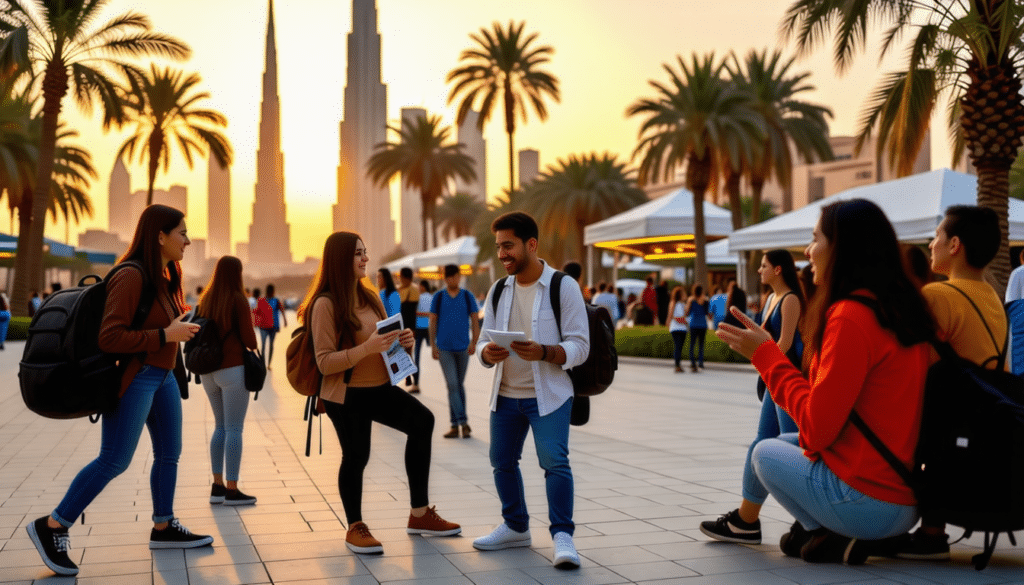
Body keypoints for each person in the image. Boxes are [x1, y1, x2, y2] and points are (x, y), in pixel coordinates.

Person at [717, 199, 934, 564]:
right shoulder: (898, 310)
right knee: (788, 439)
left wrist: (769, 357)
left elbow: (818, 430)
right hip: (906, 499)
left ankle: (828, 532)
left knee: (765, 451)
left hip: (869, 501)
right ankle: (836, 534)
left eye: (816, 238)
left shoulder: (851, 317)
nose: (807, 251)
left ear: (842, 248)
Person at [27, 205, 212, 577]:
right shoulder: (130, 276)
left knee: (169, 454)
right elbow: (110, 337)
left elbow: (160, 325)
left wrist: (177, 326)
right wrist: (165, 334)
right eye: (182, 233)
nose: (188, 240)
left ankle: (163, 525)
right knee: (114, 459)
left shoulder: (166, 275)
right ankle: (53, 525)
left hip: (163, 378)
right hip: (136, 377)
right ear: (160, 236)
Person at [303, 232, 460, 555]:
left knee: (422, 421)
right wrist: (366, 348)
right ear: (341, 259)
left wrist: (403, 342)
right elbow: (323, 362)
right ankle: (355, 526)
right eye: (359, 253)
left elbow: (382, 340)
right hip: (345, 395)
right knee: (357, 455)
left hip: (379, 388)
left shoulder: (370, 297)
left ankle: (419, 514)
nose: (366, 259)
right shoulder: (325, 304)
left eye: (365, 252)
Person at [473, 212, 588, 569]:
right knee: (501, 462)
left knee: (555, 463)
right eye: (499, 247)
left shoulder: (562, 286)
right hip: (505, 395)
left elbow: (580, 346)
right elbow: (480, 343)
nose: (502, 254)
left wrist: (546, 352)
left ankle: (563, 537)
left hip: (549, 395)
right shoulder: (498, 290)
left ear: (531, 244)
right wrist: (486, 354)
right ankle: (515, 526)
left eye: (508, 246)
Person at [897, 205, 1006, 560]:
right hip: (983, 419)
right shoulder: (992, 296)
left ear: (955, 244)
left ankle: (929, 532)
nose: (931, 244)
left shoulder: (939, 295)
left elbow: (915, 364)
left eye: (938, 237)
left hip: (948, 423)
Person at [700, 250, 804, 545]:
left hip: (786, 379)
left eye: (763, 266)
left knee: (790, 444)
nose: (759, 270)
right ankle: (746, 520)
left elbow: (784, 343)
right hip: (774, 378)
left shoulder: (791, 299)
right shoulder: (772, 299)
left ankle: (803, 520)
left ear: (779, 269)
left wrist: (760, 357)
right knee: (763, 441)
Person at [196, 256, 260, 506]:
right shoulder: (237, 299)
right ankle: (233, 490)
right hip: (232, 369)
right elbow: (251, 342)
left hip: (208, 371)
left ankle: (217, 486)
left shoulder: (205, 299)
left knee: (220, 426)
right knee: (234, 429)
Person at [430, 263, 481, 438]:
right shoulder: (438, 297)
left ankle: (454, 426)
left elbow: (475, 320)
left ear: (460, 277)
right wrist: (433, 344)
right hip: (444, 348)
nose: (453, 279)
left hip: (463, 348)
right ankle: (463, 422)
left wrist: (474, 341)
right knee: (452, 385)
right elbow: (433, 321)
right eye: (449, 276)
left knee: (457, 386)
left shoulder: (467, 296)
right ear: (445, 278)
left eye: (455, 276)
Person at [397, 267, 420, 390]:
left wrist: (413, 330)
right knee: (406, 354)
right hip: (403, 326)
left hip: (409, 327)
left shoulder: (412, 290)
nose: (400, 279)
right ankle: (408, 378)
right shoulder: (404, 289)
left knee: (409, 354)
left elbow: (410, 311)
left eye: (401, 277)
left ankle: (412, 378)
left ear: (406, 278)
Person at [409, 279, 434, 393]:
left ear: (423, 287)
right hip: (429, 328)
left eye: (419, 286)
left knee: (417, 355)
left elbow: (414, 312)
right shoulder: (432, 297)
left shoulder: (418, 297)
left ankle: (416, 383)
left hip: (419, 328)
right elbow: (433, 314)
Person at [257, 284, 288, 367]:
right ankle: (263, 364)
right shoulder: (262, 300)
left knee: (270, 345)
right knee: (263, 345)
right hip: (263, 326)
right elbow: (258, 312)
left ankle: (269, 364)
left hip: (273, 327)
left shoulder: (276, 301)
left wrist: (285, 320)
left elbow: (282, 310)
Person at [685, 285, 710, 371]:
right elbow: (708, 313)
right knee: (701, 345)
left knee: (692, 345)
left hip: (693, 324)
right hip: (703, 324)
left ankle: (692, 362)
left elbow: (687, 312)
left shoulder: (691, 300)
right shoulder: (705, 301)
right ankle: (701, 363)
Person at [668, 285, 688, 372]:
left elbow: (685, 315)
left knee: (679, 347)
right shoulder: (674, 303)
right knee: (678, 346)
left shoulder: (683, 304)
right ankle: (677, 365)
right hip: (676, 328)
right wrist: (682, 320)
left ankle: (678, 364)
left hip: (683, 328)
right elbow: (672, 316)